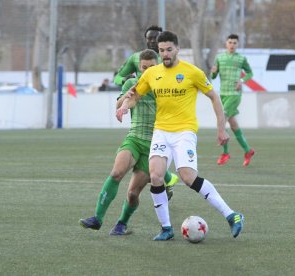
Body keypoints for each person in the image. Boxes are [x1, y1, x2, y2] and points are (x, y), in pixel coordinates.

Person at [116, 31, 244, 241]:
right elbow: (135, 96)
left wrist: (221, 128)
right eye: (161, 51)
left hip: (184, 131)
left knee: (187, 176)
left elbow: (214, 97)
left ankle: (232, 215)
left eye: (168, 50)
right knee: (155, 175)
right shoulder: (152, 73)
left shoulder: (192, 72)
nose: (165, 54)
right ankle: (166, 228)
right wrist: (124, 107)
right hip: (161, 132)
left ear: (177, 49)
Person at [79, 49, 179, 235]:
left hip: (154, 146)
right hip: (134, 138)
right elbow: (118, 104)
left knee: (133, 194)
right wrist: (126, 98)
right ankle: (97, 218)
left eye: (151, 67)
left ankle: (121, 223)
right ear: (139, 67)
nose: (146, 71)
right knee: (117, 172)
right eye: (143, 67)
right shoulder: (133, 83)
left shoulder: (165, 86)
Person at [210, 34, 255, 167]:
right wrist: (213, 72)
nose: (232, 45)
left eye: (235, 43)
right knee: (233, 124)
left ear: (237, 45)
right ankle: (248, 150)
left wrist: (242, 81)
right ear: (226, 43)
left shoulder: (241, 59)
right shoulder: (220, 58)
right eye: (230, 42)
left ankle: (225, 153)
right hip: (222, 94)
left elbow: (250, 73)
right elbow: (213, 75)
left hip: (234, 94)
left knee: (222, 118)